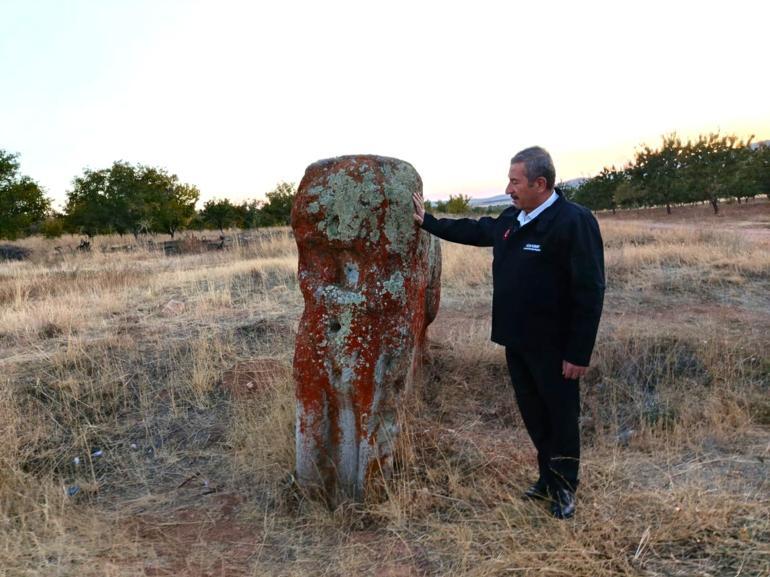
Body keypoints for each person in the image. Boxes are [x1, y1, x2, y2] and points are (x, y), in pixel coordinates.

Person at [412, 146, 605, 519]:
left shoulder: (573, 221)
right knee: (534, 414)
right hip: (517, 340)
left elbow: (590, 290)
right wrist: (429, 222)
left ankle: (565, 488)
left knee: (561, 418)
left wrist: (578, 353)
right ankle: (547, 478)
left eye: (515, 181)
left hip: (555, 346)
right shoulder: (514, 217)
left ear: (540, 183)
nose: (509, 188)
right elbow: (476, 229)